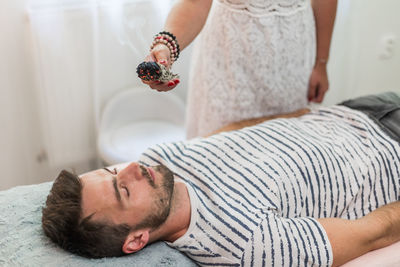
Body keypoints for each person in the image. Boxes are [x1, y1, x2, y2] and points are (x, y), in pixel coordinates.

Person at [42, 93, 400, 266]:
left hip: (354, 110)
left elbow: (227, 134)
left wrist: (303, 114)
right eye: (123, 189)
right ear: (136, 240)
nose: (132, 169)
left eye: (113, 171)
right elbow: (373, 233)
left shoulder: (157, 161)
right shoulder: (245, 243)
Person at [141, 0, 338, 138]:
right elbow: (195, 3)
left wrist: (321, 63)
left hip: (292, 59)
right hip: (228, 61)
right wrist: (166, 46)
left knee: (285, 151)